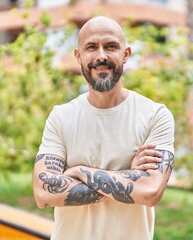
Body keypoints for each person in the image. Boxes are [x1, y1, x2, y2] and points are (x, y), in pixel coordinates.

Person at [33, 16, 175, 240]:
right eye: (91, 47)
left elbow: (149, 192)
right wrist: (130, 179)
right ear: (78, 56)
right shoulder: (61, 117)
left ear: (125, 54)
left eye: (111, 46)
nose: (101, 56)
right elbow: (43, 192)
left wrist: (78, 172)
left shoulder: (155, 115)